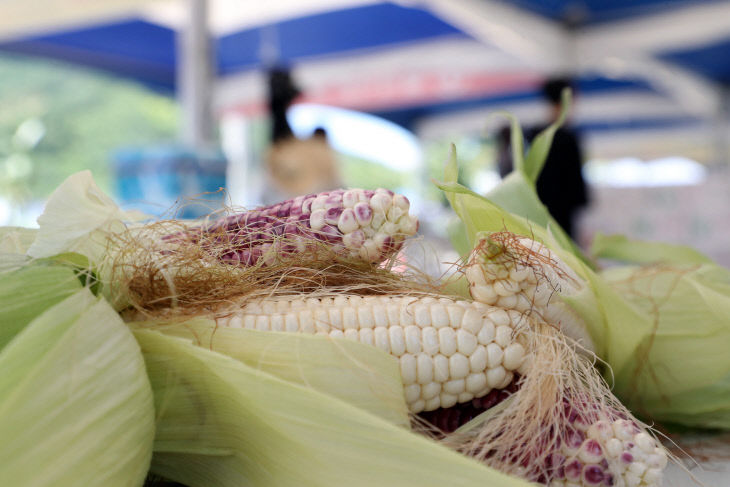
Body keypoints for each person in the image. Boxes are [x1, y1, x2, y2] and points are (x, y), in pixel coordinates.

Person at [264, 68, 341, 201]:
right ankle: (279, 92)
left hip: (295, 184)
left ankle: (278, 91)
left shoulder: (317, 155)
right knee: (280, 130)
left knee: (280, 131)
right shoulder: (321, 155)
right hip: (299, 184)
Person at [529, 77, 589, 239]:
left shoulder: (534, 135)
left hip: (536, 213)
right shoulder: (568, 138)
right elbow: (575, 182)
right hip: (562, 215)